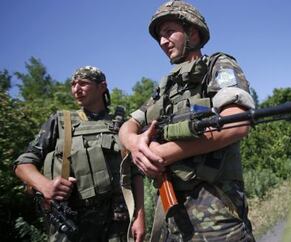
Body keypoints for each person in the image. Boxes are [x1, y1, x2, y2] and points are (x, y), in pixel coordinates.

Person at [119, 1, 256, 241]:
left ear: (192, 33)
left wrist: (164, 153)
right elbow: (128, 125)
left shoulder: (217, 65)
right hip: (175, 219)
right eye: (159, 37)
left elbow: (237, 122)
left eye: (169, 32)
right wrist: (135, 144)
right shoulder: (165, 86)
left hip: (218, 214)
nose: (163, 42)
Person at [13, 66, 145, 242]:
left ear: (102, 86)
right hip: (72, 220)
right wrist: (45, 186)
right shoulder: (60, 121)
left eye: (83, 83)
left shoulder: (122, 125)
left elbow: (135, 172)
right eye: (73, 84)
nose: (76, 89)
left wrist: (139, 216)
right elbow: (22, 163)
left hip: (117, 222)